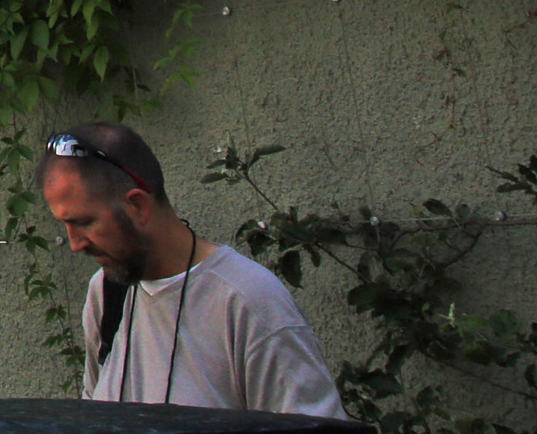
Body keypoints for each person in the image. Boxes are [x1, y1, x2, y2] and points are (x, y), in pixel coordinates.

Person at [39, 122, 345, 416]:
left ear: (137, 205)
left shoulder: (248, 302)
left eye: (83, 222)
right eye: (64, 224)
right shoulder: (105, 291)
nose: (75, 243)